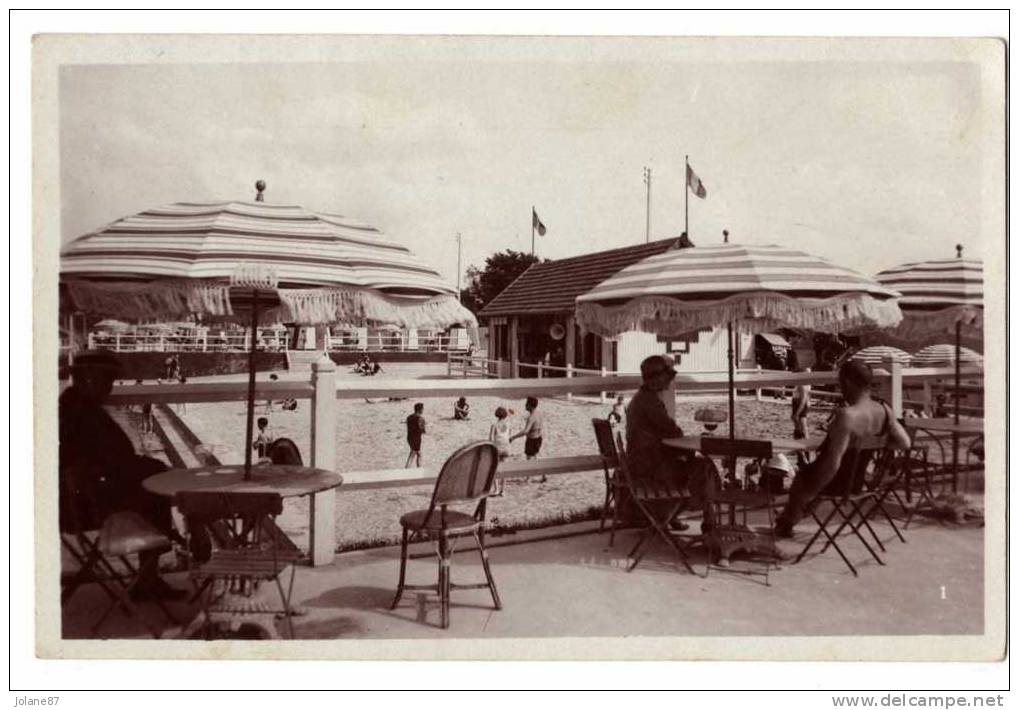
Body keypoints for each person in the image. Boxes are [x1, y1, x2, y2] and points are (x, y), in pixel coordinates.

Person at [59, 350, 186, 600]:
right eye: (106, 381)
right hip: (89, 506)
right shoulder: (82, 415)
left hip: (83, 500)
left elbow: (113, 461)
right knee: (156, 493)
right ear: (87, 379)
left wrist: (153, 468)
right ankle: (151, 576)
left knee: (156, 484)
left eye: (110, 381)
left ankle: (153, 571)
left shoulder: (77, 407)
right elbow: (112, 463)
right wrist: (157, 470)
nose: (109, 387)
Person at [775, 360, 912, 538]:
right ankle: (792, 516)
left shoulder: (846, 416)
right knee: (812, 479)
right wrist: (875, 444)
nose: (840, 388)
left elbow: (832, 465)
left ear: (847, 382)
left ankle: (787, 523)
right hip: (860, 482)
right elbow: (905, 443)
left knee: (803, 480)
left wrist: (813, 491)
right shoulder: (885, 409)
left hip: (841, 484)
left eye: (840, 383)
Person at [626, 355, 717, 531]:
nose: (668, 381)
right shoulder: (650, 402)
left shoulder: (642, 398)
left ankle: (671, 515)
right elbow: (672, 431)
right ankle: (708, 520)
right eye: (666, 377)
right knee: (704, 466)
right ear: (655, 379)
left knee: (694, 464)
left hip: (641, 463)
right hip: (650, 469)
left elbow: (666, 432)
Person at [489, 406, 511, 496]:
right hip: (506, 448)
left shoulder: (494, 425)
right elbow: (508, 436)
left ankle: (496, 489)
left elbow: (490, 438)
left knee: (494, 468)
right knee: (504, 469)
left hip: (497, 448)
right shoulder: (508, 425)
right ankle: (503, 490)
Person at [791, 366, 812, 439]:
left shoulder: (802, 385)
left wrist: (797, 413)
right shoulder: (805, 383)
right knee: (801, 424)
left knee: (802, 424)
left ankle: (803, 441)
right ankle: (800, 439)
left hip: (799, 404)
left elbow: (803, 399)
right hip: (799, 403)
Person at [405, 402, 426, 468]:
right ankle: (408, 468)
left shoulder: (409, 417)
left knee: (417, 453)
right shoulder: (421, 418)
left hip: (409, 438)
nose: (423, 410)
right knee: (414, 453)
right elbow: (422, 430)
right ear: (420, 409)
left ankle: (418, 468)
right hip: (416, 438)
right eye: (422, 409)